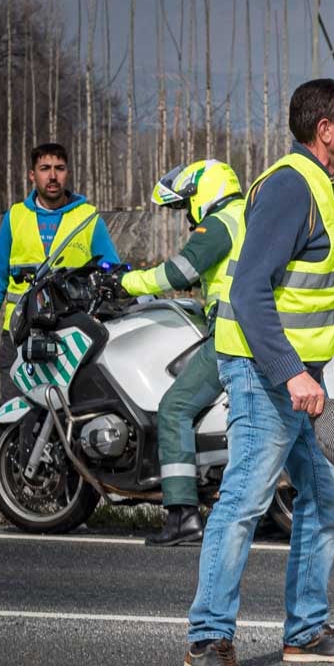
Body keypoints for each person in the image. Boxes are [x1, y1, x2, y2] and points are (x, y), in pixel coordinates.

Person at [183, 78, 334, 666]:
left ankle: (306, 631)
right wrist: (291, 376)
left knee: (325, 496)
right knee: (243, 503)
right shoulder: (290, 187)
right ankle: (208, 639)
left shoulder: (323, 190)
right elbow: (249, 291)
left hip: (297, 375)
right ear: (326, 130)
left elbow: (323, 291)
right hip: (266, 373)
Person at [119, 159, 245, 547]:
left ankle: (182, 515)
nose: (189, 215)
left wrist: (126, 280)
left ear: (203, 192)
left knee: (175, 408)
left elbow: (178, 272)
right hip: (253, 331)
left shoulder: (219, 223)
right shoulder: (247, 216)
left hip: (231, 335)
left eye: (188, 204)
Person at [0, 142, 121, 403]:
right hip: (18, 334)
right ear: (32, 175)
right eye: (45, 168)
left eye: (59, 168)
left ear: (67, 173)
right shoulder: (15, 217)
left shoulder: (88, 218)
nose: (52, 176)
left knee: (67, 415)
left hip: (71, 336)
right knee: (12, 418)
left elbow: (113, 272)